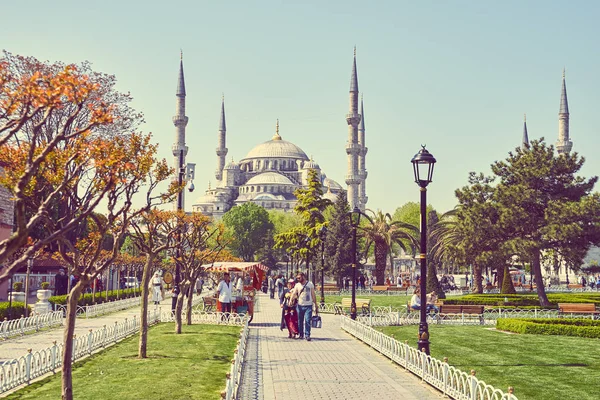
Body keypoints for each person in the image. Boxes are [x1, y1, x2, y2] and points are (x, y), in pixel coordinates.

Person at [293, 272, 317, 341]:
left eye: (299, 278)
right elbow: (294, 293)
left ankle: (307, 335)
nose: (298, 279)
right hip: (300, 306)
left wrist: (315, 304)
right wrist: (291, 299)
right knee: (300, 321)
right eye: (297, 278)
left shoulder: (310, 284)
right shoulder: (297, 285)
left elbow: (313, 294)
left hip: (308, 306)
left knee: (307, 320)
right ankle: (301, 334)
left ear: (303, 276)